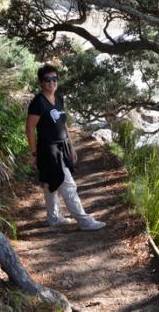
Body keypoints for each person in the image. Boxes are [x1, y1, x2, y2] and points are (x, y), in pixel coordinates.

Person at [26, 64, 105, 230]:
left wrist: (71, 146)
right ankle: (84, 221)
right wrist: (34, 153)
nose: (52, 82)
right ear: (41, 82)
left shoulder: (59, 98)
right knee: (68, 184)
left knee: (50, 183)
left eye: (54, 79)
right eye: (48, 79)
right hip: (49, 150)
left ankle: (54, 218)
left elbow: (64, 125)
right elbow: (30, 129)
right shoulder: (38, 103)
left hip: (63, 147)